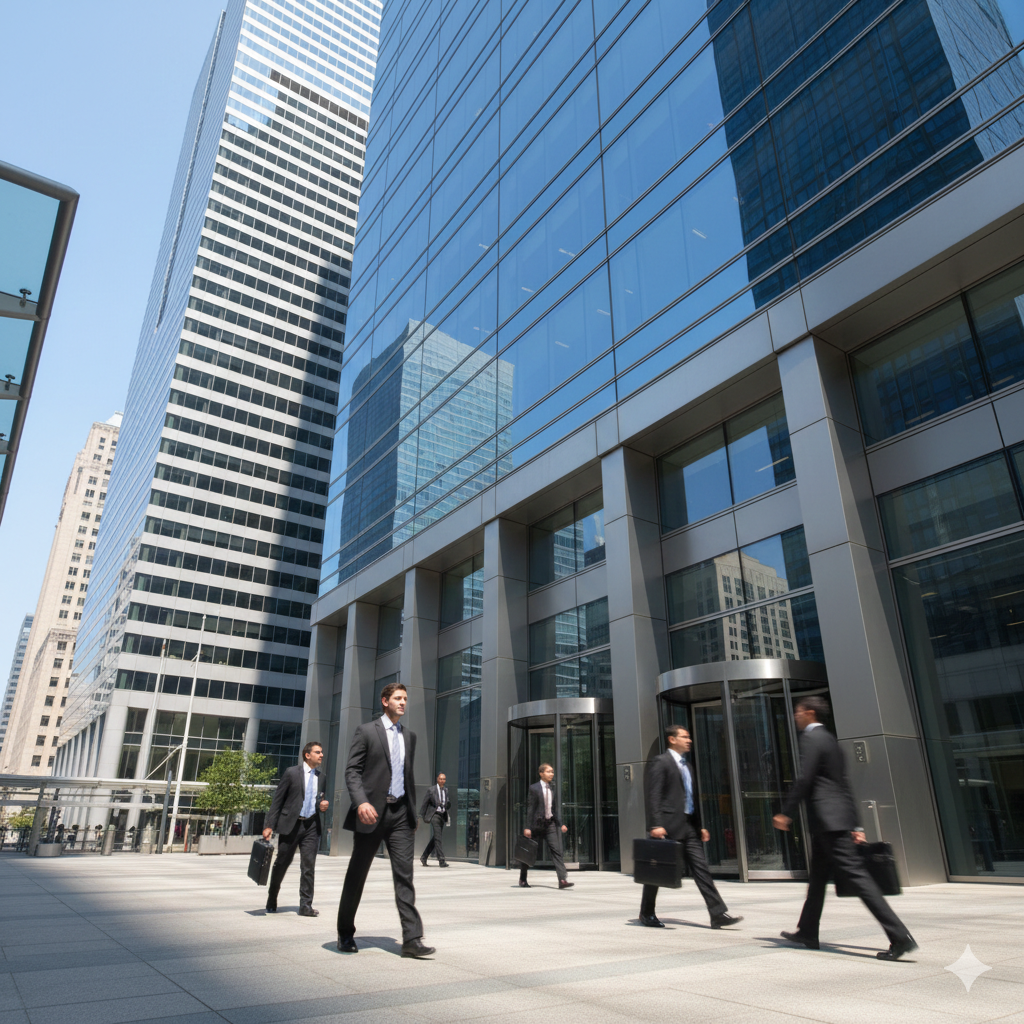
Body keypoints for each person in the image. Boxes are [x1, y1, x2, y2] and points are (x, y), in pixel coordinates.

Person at [773, 695, 917, 960]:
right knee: (816, 880)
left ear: (810, 713)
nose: (796, 716)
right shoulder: (831, 740)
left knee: (859, 878)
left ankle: (899, 936)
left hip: (828, 821)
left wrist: (786, 812)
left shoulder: (811, 739)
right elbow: (844, 784)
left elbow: (804, 778)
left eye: (799, 712)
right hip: (833, 820)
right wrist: (856, 823)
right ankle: (807, 931)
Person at [336, 682, 434, 958]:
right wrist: (361, 802)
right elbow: (352, 771)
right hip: (371, 813)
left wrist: (412, 812)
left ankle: (412, 939)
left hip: (401, 814)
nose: (403, 702)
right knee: (358, 873)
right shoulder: (366, 731)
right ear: (384, 701)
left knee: (405, 876)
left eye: (405, 698)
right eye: (397, 698)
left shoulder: (409, 736)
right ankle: (345, 932)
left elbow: (407, 776)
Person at [640, 724, 742, 929]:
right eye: (684, 737)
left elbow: (690, 799)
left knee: (701, 869)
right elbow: (654, 795)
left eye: (689, 736)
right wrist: (655, 824)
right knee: (657, 871)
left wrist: (699, 825)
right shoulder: (661, 762)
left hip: (689, 827)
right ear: (672, 739)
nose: (689, 740)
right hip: (667, 827)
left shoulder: (688, 765)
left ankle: (717, 914)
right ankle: (646, 913)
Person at [262, 740, 329, 916]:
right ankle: (272, 897)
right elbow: (277, 801)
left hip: (311, 826)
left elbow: (318, 800)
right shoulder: (291, 773)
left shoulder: (321, 777)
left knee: (308, 866)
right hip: (291, 825)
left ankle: (305, 905)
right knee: (281, 863)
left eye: (321, 752)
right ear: (307, 755)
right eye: (317, 752)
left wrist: (322, 806)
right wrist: (269, 825)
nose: (321, 755)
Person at [519, 763, 574, 890]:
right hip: (536, 825)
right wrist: (527, 827)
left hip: (550, 825)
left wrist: (561, 824)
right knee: (529, 852)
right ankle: (523, 878)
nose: (552, 774)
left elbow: (554, 808)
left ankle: (562, 880)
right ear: (541, 773)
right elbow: (531, 808)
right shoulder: (534, 788)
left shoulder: (552, 788)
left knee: (557, 851)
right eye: (549, 772)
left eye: (552, 772)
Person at [420, 772, 451, 867]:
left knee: (436, 838)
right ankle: (441, 860)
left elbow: (447, 803)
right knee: (438, 838)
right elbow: (425, 803)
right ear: (437, 779)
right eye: (441, 779)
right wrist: (421, 816)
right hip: (434, 815)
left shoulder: (446, 790)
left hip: (442, 815)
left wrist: (447, 804)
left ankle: (424, 857)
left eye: (444, 779)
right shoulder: (431, 790)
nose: (442, 780)